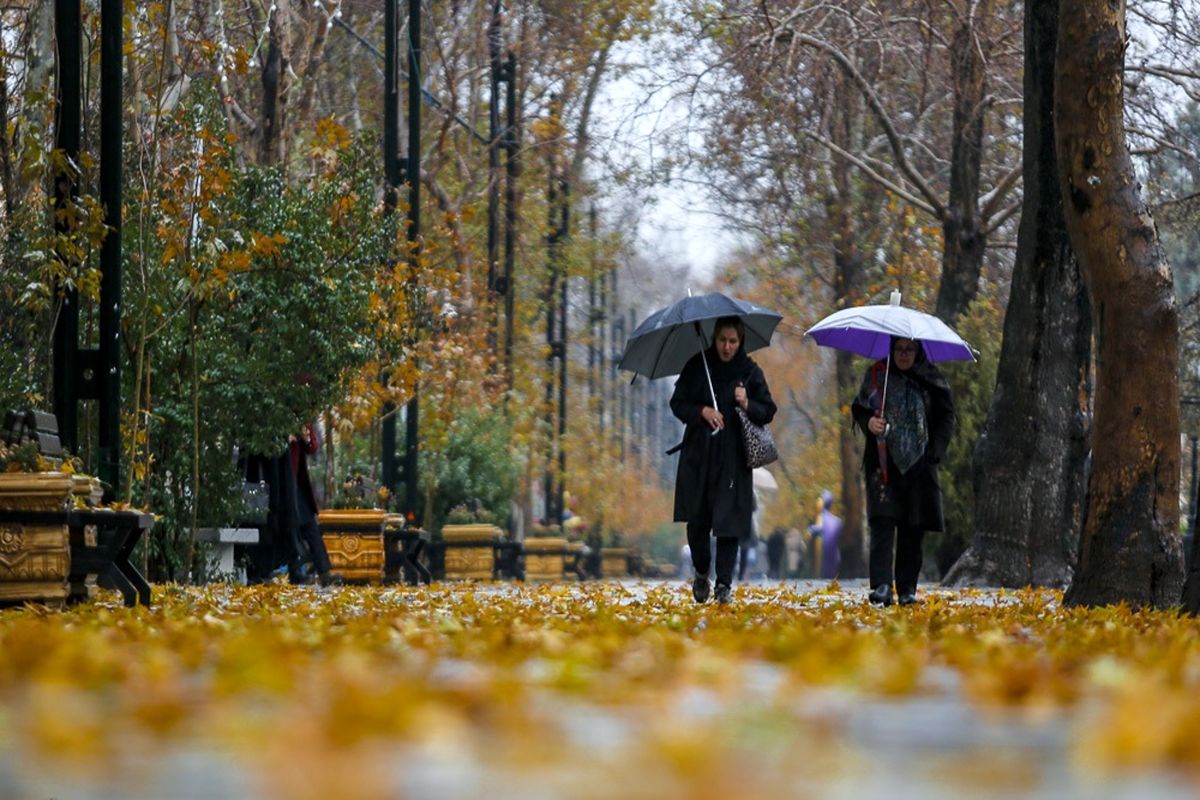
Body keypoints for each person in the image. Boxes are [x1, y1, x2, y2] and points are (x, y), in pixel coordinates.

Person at [670, 316, 777, 604]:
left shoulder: (750, 371)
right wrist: (702, 412)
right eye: (722, 340)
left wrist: (746, 402)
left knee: (729, 524)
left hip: (733, 459)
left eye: (733, 341)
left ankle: (724, 585)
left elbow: (767, 410)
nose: (727, 347)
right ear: (714, 338)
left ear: (740, 341)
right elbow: (677, 403)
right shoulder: (697, 366)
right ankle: (702, 570)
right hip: (699, 456)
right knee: (698, 520)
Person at [851, 336, 955, 606]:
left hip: (920, 465)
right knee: (883, 525)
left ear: (918, 350)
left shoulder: (932, 379)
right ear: (891, 349)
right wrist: (869, 422)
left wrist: (935, 452)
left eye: (910, 349)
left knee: (913, 527)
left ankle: (907, 588)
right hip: (883, 463)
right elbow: (860, 409)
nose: (904, 355)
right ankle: (882, 586)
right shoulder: (877, 376)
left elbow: (946, 417)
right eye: (899, 349)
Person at [289, 423, 343, 587]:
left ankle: (324, 572)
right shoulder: (280, 413)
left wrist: (305, 438)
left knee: (309, 526)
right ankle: (296, 572)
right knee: (292, 528)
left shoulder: (303, 419)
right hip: (282, 479)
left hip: (296, 481)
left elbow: (312, 447)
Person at [808, 489, 842, 580]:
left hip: (824, 557)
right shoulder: (837, 521)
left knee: (823, 579)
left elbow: (815, 530)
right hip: (834, 557)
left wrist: (811, 529)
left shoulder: (821, 518)